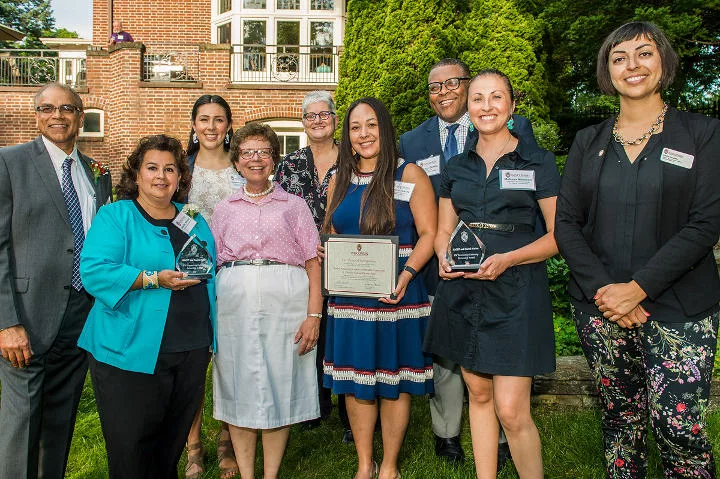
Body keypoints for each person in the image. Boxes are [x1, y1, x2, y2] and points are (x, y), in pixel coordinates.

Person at [555, 21, 720, 479]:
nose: (633, 65)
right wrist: (609, 291)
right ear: (607, 72)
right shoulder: (588, 142)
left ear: (663, 62)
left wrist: (639, 288)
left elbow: (706, 222)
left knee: (679, 428)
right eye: (619, 57)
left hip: (679, 308)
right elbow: (566, 223)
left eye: (643, 53)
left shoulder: (702, 134)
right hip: (601, 306)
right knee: (620, 422)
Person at [398, 58, 536, 467]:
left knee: (495, 362)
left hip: (504, 269)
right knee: (448, 354)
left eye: (452, 84)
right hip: (441, 268)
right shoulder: (411, 141)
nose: (442, 93)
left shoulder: (518, 132)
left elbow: (531, 198)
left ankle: (503, 436)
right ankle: (447, 433)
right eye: (434, 87)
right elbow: (407, 201)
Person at [424, 69, 559, 479]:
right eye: (478, 98)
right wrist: (443, 256)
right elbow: (444, 229)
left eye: (496, 97)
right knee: (478, 396)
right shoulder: (456, 167)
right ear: (468, 106)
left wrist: (509, 259)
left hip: (516, 291)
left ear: (512, 105)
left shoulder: (538, 161)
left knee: (512, 410)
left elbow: (559, 237)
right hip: (463, 292)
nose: (487, 106)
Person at [78, 134, 216, 479]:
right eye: (152, 167)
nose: (161, 176)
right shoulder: (115, 215)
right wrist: (153, 278)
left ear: (180, 177)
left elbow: (210, 269)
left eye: (170, 169)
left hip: (190, 349)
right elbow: (94, 272)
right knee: (132, 453)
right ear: (136, 174)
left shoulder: (193, 217)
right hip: (128, 350)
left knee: (169, 449)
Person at [0, 83, 112, 479]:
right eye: (47, 108)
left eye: (67, 108)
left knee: (60, 417)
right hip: (26, 317)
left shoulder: (98, 174)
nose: (57, 116)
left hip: (80, 313)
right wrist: (6, 322)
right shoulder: (8, 162)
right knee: (22, 421)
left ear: (81, 117)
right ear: (36, 115)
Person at [323, 97, 436, 479]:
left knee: (393, 378)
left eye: (371, 125)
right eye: (355, 127)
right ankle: (363, 464)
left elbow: (429, 234)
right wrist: (328, 249)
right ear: (347, 135)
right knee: (356, 381)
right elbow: (332, 229)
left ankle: (388, 466)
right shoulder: (338, 179)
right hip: (350, 296)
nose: (364, 134)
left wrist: (406, 275)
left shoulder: (409, 175)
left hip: (397, 292)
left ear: (384, 129)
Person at [211, 123, 323, 479]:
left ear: (274, 159)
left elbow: (312, 260)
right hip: (234, 303)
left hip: (287, 301)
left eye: (263, 151)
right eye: (247, 152)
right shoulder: (224, 208)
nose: (255, 159)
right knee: (239, 384)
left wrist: (314, 314)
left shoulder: (295, 205)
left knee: (279, 384)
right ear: (237, 161)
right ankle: (247, 474)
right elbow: (209, 262)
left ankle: (270, 474)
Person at [276, 90, 355, 440]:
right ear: (303, 122)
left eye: (325, 114)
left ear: (335, 120)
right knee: (312, 325)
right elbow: (279, 211)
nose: (319, 120)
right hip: (304, 260)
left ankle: (351, 406)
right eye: (311, 115)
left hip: (349, 257)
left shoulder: (355, 161)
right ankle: (315, 403)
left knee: (346, 327)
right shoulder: (289, 164)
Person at [183, 94, 240, 479]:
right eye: (203, 119)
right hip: (187, 279)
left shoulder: (243, 169)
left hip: (235, 277)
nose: (211, 127)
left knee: (230, 362)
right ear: (193, 125)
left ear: (229, 126)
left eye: (219, 120)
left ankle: (227, 437)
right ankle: (193, 446)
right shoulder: (180, 170)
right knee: (192, 364)